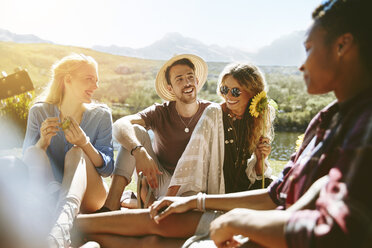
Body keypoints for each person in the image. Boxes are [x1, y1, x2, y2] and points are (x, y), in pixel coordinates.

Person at [75, 0, 372, 247]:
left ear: (343, 46)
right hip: (181, 190)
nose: (301, 64)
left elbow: (336, 227)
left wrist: (237, 216)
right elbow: (278, 194)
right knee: (159, 221)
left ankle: (72, 228)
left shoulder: (362, 126)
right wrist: (194, 198)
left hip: (248, 218)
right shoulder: (326, 121)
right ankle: (79, 225)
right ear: (171, 86)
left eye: (308, 48)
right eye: (224, 91)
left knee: (157, 236)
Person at [23, 53, 114, 247]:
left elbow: (107, 169)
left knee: (76, 152)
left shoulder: (101, 115)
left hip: (91, 194)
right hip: (51, 188)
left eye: (97, 81)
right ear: (68, 79)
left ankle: (62, 222)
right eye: (89, 79)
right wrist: (43, 143)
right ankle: (56, 221)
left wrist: (85, 143)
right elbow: (27, 160)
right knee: (34, 152)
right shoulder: (39, 112)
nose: (96, 87)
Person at [101, 54, 211, 211]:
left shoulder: (211, 111)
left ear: (197, 81)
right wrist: (139, 152)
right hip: (160, 179)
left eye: (190, 77)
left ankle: (142, 201)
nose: (186, 83)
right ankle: (110, 206)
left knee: (178, 211)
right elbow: (120, 125)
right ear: (170, 88)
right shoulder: (160, 112)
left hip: (194, 184)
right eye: (179, 79)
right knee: (135, 131)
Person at [166, 62, 274, 197]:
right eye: (224, 89)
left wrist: (260, 159)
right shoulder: (214, 113)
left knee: (274, 188)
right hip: (221, 194)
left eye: (235, 91)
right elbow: (191, 157)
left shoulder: (257, 118)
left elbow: (259, 174)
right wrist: (168, 198)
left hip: (246, 191)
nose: (228, 96)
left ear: (252, 92)